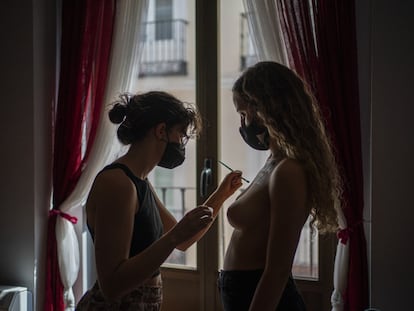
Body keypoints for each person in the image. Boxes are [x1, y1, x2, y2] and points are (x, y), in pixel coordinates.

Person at [76, 91, 243, 310]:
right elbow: (112, 286)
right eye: (181, 135)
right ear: (161, 131)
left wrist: (221, 195)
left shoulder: (140, 181)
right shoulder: (117, 184)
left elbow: (183, 240)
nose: (182, 144)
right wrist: (174, 236)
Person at [218, 61, 342, 311]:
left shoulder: (289, 171)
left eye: (244, 114)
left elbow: (277, 271)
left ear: (266, 110)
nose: (243, 124)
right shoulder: (274, 162)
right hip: (244, 291)